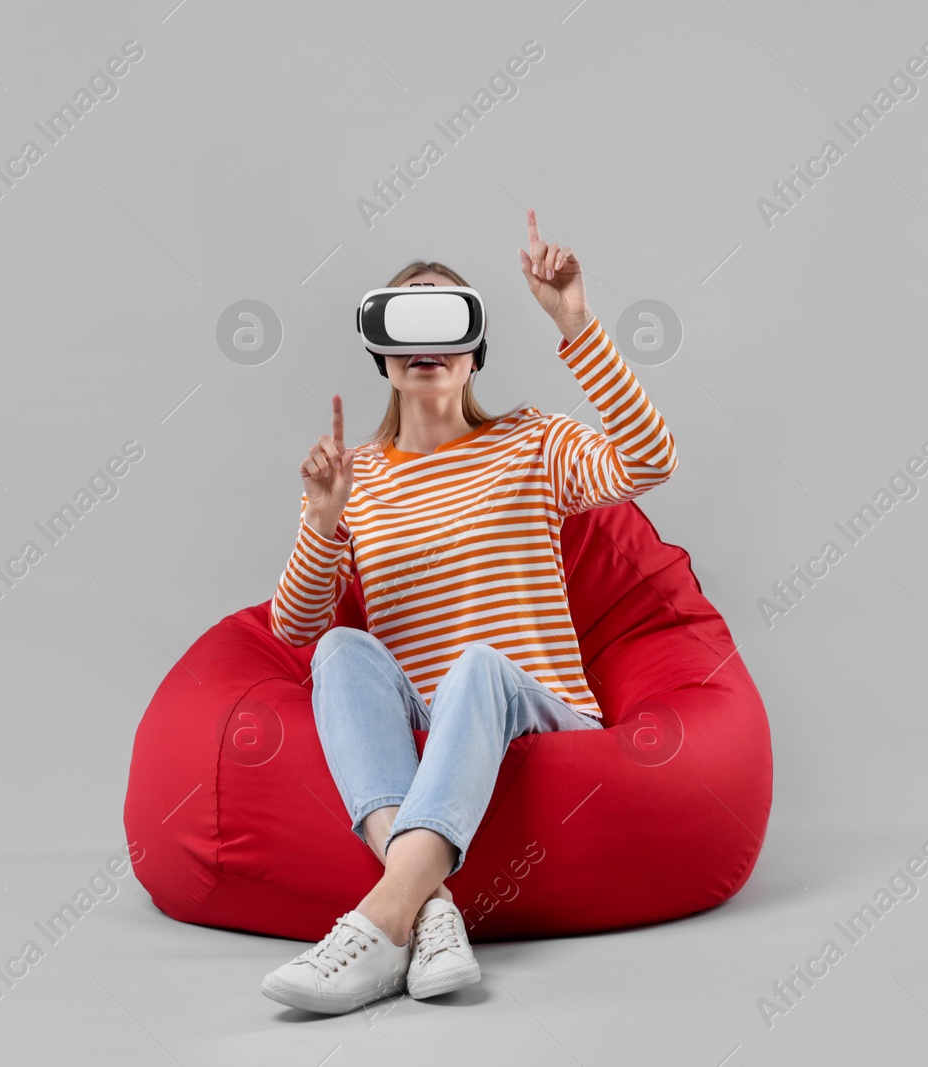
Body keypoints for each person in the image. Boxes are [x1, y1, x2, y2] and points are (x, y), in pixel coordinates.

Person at [261, 209, 678, 1014]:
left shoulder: (534, 441)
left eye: (445, 320)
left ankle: (381, 919)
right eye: (405, 322)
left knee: (476, 665)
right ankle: (431, 906)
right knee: (341, 650)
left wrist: (576, 323)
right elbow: (295, 627)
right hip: (432, 728)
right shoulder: (356, 478)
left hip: (539, 709)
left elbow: (649, 460)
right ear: (382, 350)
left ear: (474, 349)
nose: (426, 343)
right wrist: (321, 522)